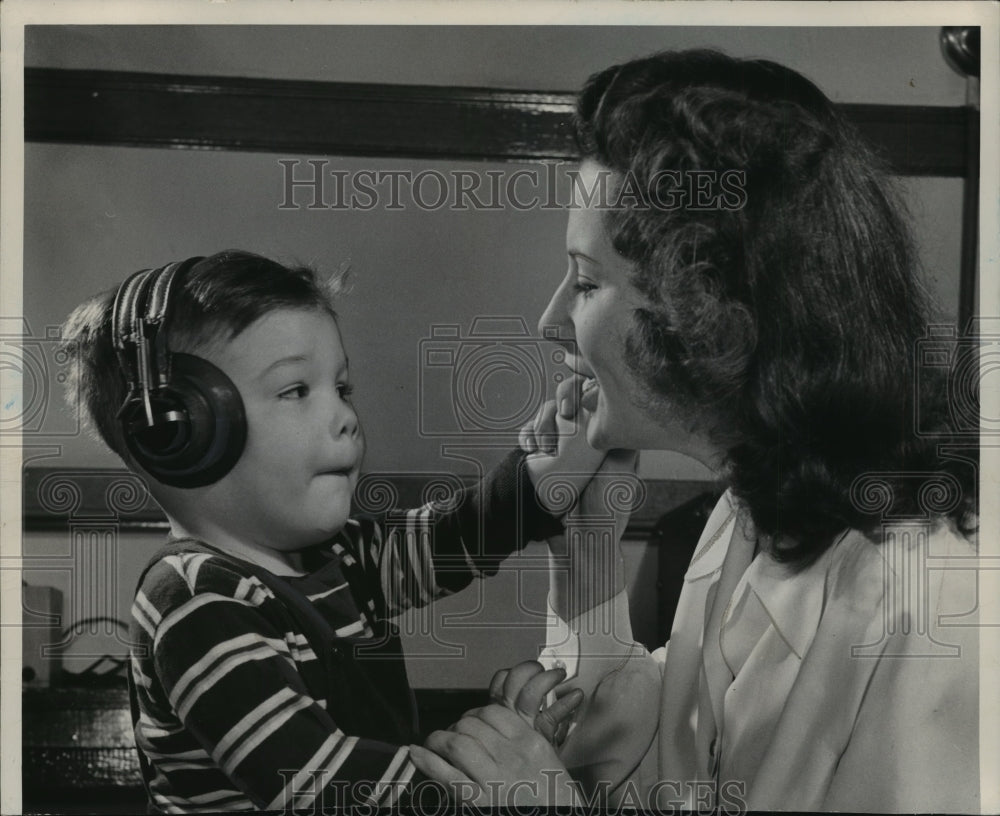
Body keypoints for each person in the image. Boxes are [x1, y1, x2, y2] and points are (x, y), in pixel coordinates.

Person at [408, 49, 981, 813]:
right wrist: (588, 547)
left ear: (705, 311)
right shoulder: (751, 507)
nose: (551, 322)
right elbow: (682, 772)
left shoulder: (934, 597)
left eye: (585, 283)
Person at [59, 249, 604, 813]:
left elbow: (454, 539)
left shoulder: (336, 555)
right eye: (296, 390)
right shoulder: (197, 601)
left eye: (342, 389)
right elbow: (315, 785)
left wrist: (545, 476)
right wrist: (487, 787)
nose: (346, 418)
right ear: (177, 434)